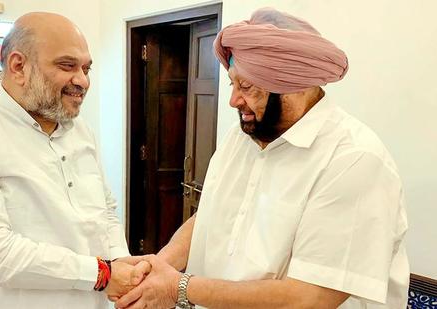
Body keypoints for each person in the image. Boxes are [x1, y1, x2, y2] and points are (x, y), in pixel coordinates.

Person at [115, 7, 409, 309]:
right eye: (233, 84)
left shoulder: (354, 160)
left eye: (247, 87)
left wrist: (178, 288)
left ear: (295, 85)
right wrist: (158, 266)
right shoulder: (240, 137)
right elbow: (210, 216)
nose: (233, 100)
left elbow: (310, 298)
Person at [0, 12, 149, 309]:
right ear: (19, 66)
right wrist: (103, 274)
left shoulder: (79, 129)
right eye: (67, 65)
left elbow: (103, 212)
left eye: (86, 68)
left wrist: (121, 264)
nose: (82, 80)